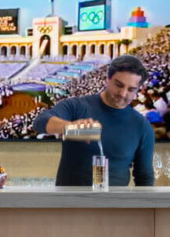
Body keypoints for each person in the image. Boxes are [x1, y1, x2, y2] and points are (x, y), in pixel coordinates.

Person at [34, 54, 156, 187]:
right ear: (107, 79)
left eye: (131, 89)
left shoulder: (142, 127)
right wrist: (69, 127)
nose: (122, 93)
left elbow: (144, 177)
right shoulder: (77, 106)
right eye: (118, 85)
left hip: (114, 205)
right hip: (69, 204)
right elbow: (40, 122)